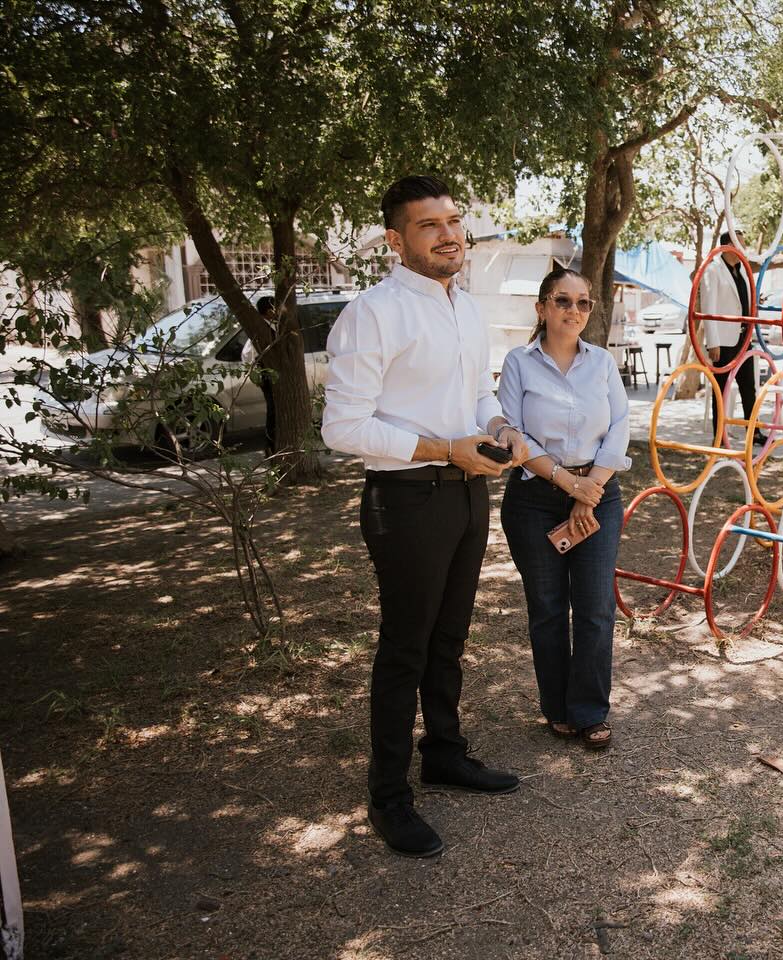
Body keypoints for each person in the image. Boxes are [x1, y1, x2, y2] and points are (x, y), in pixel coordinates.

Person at [322, 175, 530, 858]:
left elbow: (473, 395)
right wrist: (444, 448)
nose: (448, 235)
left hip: (468, 494)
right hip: (405, 500)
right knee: (405, 649)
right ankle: (388, 798)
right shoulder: (372, 313)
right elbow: (342, 428)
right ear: (395, 240)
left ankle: (444, 752)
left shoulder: (465, 308)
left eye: (453, 221)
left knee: (450, 641)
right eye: (428, 225)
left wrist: (499, 425)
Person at [499, 267, 630, 751]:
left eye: (583, 303)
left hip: (597, 494)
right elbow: (511, 432)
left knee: (595, 608)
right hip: (535, 498)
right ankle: (557, 707)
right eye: (562, 301)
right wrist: (565, 481)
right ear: (541, 308)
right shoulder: (519, 362)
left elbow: (619, 427)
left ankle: (590, 710)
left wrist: (587, 487)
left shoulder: (602, 363)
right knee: (548, 609)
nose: (573, 311)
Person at [700, 230, 760, 440]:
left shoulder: (742, 270)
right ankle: (720, 434)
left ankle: (754, 431)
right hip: (724, 340)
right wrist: (713, 342)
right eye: (739, 244)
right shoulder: (713, 270)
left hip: (744, 337)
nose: (743, 249)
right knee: (721, 390)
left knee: (748, 388)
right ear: (727, 246)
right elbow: (709, 307)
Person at [241, 295, 279, 456]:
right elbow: (248, 354)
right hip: (267, 375)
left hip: (272, 375)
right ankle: (271, 445)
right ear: (269, 310)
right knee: (273, 410)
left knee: (276, 410)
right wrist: (258, 377)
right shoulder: (262, 329)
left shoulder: (273, 326)